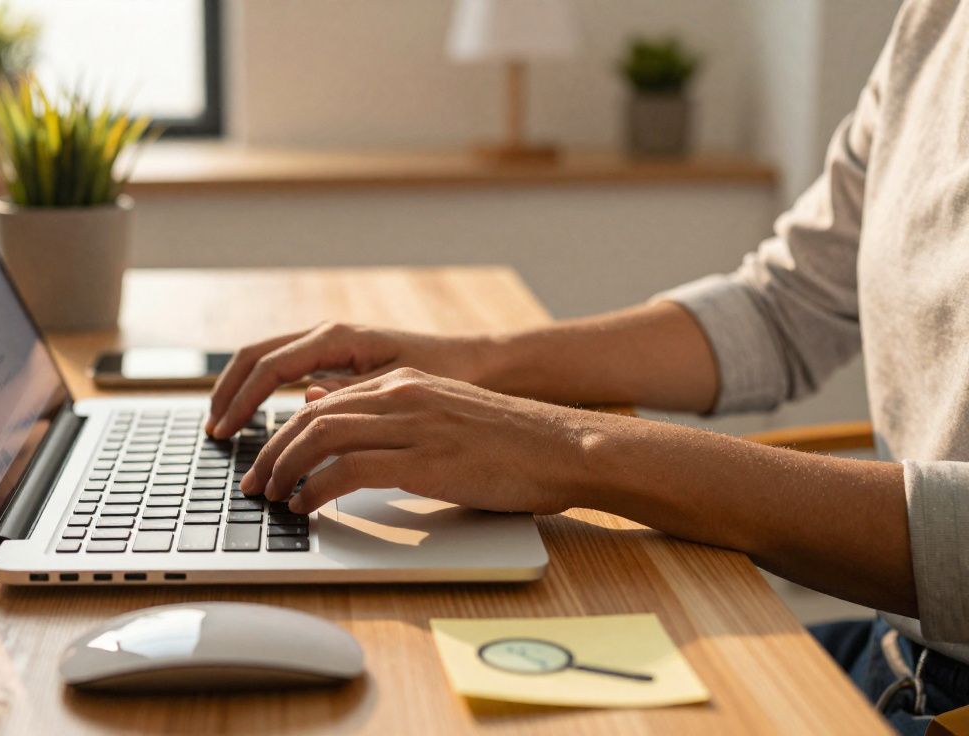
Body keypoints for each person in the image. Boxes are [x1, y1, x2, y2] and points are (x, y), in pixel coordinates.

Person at [204, 2, 968, 732]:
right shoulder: (934, 20)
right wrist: (478, 361)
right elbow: (787, 306)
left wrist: (572, 451)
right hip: (892, 653)